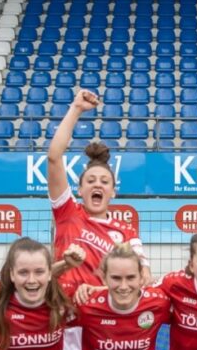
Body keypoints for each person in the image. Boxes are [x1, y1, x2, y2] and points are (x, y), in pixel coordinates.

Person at [48, 90, 149, 294]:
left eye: (104, 182)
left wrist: (98, 291)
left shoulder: (126, 232)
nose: (97, 185)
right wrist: (76, 109)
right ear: (79, 189)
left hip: (100, 313)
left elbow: (143, 275)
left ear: (113, 191)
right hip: (61, 309)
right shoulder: (68, 212)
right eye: (91, 180)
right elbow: (54, 157)